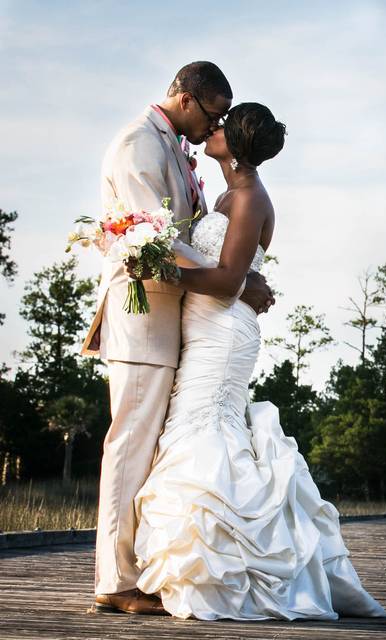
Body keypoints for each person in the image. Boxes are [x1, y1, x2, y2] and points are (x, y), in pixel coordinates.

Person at [126, 102, 386, 621]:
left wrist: (155, 269)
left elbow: (226, 282)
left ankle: (221, 571)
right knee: (198, 435)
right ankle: (207, 561)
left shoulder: (248, 198)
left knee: (206, 435)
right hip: (204, 328)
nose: (213, 129)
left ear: (237, 142)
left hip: (223, 334)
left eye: (223, 125)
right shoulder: (228, 193)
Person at [85, 61, 275, 615]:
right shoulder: (138, 144)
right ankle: (116, 580)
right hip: (142, 322)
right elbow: (155, 237)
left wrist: (236, 274)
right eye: (212, 115)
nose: (213, 128)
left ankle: (142, 567)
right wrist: (235, 282)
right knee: (129, 447)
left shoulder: (176, 149)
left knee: (152, 451)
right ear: (187, 99)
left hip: (179, 324)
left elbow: (185, 235)